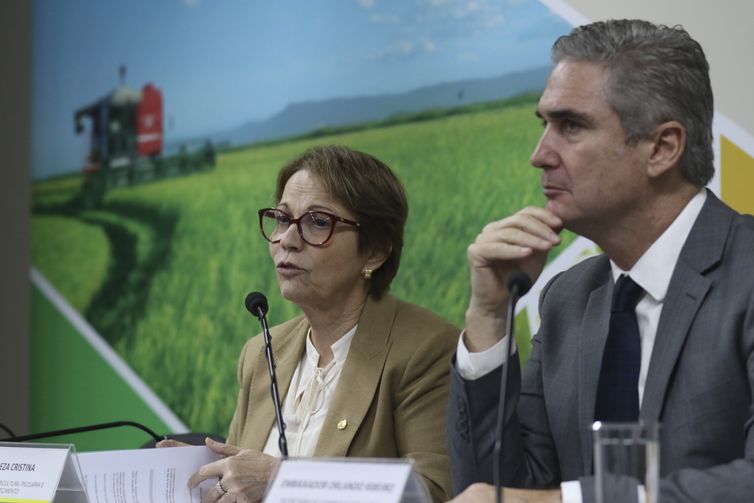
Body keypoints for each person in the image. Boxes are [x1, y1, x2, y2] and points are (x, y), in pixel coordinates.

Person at [447, 19, 754, 503]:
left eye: (571, 126)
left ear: (662, 147)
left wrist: (567, 502)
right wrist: (487, 317)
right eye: (544, 125)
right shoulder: (568, 296)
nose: (539, 155)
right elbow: (501, 490)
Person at [164, 145, 458, 502]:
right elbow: (247, 478)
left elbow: (435, 493)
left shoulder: (426, 350)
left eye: (318, 222)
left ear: (375, 252)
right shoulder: (261, 351)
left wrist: (283, 479)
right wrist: (201, 471)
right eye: (283, 219)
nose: (287, 240)